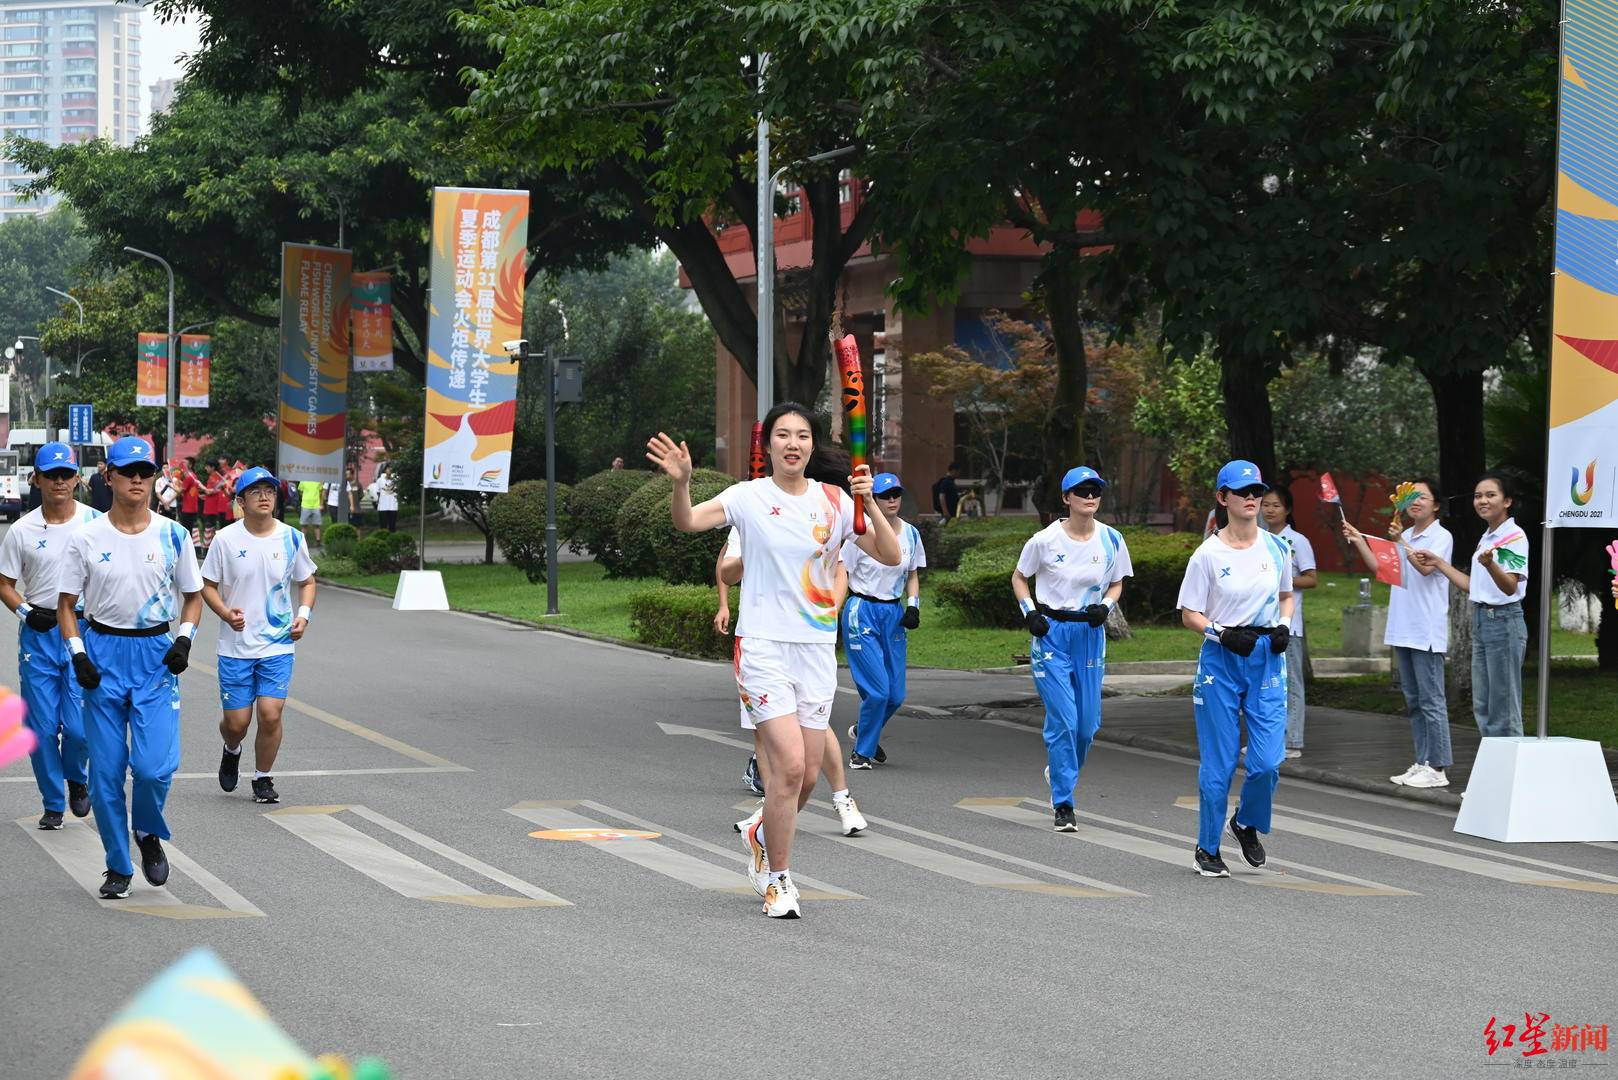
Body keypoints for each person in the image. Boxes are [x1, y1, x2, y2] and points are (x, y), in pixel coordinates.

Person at [648, 401, 900, 918]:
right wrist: (681, 482)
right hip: (762, 646)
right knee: (785, 766)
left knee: (806, 777)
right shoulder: (748, 498)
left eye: (802, 435)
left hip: (814, 650)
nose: (792, 443)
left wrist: (867, 502)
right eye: (782, 434)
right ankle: (780, 880)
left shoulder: (834, 501)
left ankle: (762, 828)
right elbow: (688, 521)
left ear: (812, 445)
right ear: (768, 445)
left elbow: (892, 556)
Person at [56, 436, 203, 900]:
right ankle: (118, 866)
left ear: (154, 476)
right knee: (105, 773)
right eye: (127, 471)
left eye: (145, 470)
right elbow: (65, 605)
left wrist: (183, 639)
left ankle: (147, 832)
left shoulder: (173, 534)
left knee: (155, 767)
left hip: (156, 656)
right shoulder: (86, 537)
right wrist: (77, 652)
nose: (137, 478)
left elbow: (194, 598)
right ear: (109, 477)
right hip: (101, 652)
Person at [1176, 459, 1294, 878]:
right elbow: (1190, 613)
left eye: (1257, 491)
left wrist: (1284, 626)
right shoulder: (1207, 554)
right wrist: (1222, 634)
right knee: (1220, 762)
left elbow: (1286, 597)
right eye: (1242, 491)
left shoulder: (1278, 548)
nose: (1251, 498)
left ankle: (1244, 822)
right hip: (1222, 660)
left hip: (1266, 657)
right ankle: (1207, 848)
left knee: (1267, 762)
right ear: (1222, 497)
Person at [1010, 466, 1132, 830]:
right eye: (1081, 491)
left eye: (1095, 490)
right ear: (1067, 498)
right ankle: (1064, 802)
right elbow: (1019, 577)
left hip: (1089, 634)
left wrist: (1106, 608)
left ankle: (1059, 769)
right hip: (1051, 632)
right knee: (1064, 720)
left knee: (1088, 726)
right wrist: (1030, 613)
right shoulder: (1044, 540)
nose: (1089, 496)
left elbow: (1116, 584)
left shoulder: (1112, 539)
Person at [201, 467, 317, 805]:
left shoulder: (292, 537)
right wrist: (225, 613)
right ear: (240, 501)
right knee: (237, 723)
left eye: (270, 491)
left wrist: (303, 616)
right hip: (235, 646)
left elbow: (307, 581)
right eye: (256, 492)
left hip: (277, 644)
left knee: (270, 714)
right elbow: (206, 586)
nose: (265, 496)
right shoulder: (225, 539)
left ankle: (262, 778)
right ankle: (231, 748)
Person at [0, 444, 100, 830]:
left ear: (77, 478)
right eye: (51, 475)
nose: (59, 481)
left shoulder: (96, 524)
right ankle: (53, 801)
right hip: (39, 633)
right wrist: (26, 611)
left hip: (82, 630)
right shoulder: (22, 531)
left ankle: (76, 777)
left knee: (77, 727)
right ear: (35, 479)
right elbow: (5, 583)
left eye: (66, 474)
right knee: (41, 729)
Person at [1340, 478, 1454, 787]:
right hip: (1402, 627)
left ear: (1436, 505)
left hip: (1425, 629)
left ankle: (1438, 767)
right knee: (1414, 700)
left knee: (1432, 700)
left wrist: (1401, 543)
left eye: (1424, 497)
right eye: (1412, 497)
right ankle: (1422, 761)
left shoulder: (1441, 536)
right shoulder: (1404, 534)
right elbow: (1384, 571)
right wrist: (1360, 540)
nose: (1416, 501)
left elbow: (1426, 567)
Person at [1410, 473, 1529, 738]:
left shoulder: (1513, 537)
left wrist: (1491, 564)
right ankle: (1494, 766)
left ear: (1507, 501)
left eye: (1490, 495)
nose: (1482, 501)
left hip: (1504, 620)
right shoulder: (1487, 537)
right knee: (1484, 704)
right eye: (1478, 496)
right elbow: (1474, 585)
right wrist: (1439, 563)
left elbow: (1509, 586)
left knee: (1503, 704)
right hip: (1482, 619)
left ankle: (1509, 772)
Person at [842, 472, 926, 769]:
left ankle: (864, 731)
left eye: (896, 495)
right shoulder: (859, 533)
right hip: (861, 610)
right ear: (872, 500)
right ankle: (861, 753)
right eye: (884, 496)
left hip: (893, 613)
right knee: (877, 691)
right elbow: (843, 574)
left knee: (896, 695)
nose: (891, 500)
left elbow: (912, 574)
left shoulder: (911, 534)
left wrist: (913, 606)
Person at [1259, 486, 1316, 759]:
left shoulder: (1296, 541)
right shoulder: (1258, 539)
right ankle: (1269, 740)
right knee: (1266, 685)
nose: (1269, 510)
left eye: (1276, 505)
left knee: (1291, 684)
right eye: (1266, 505)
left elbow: (1311, 578)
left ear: (1288, 510)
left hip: (1288, 624)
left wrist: (1280, 581)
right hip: (1260, 624)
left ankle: (1293, 741)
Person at [202, 458, 229, 550]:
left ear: (212, 467)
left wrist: (202, 488)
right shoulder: (216, 476)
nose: (205, 468)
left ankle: (207, 549)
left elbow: (210, 491)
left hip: (211, 507)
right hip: (212, 505)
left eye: (207, 466)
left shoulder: (214, 477)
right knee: (211, 527)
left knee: (209, 527)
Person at [176, 458, 202, 548]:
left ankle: (186, 549)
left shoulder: (188, 477)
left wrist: (172, 485)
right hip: (192, 507)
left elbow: (180, 491)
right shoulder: (194, 476)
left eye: (185, 463)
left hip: (187, 508)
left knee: (186, 529)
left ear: (190, 465)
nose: (183, 464)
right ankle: (189, 548)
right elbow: (192, 491)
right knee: (189, 529)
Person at [298, 479, 325, 548]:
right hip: (305, 505)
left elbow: (321, 492)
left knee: (317, 525)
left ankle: (318, 542)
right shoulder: (303, 480)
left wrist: (321, 504)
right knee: (304, 525)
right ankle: (302, 542)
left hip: (316, 505)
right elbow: (301, 492)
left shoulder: (318, 480)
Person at [375, 464, 399, 532]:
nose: (389, 470)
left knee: (392, 526)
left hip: (393, 506)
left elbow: (398, 491)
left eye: (391, 469)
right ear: (385, 470)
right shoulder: (380, 480)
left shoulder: (395, 480)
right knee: (383, 526)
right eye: (388, 469)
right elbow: (378, 492)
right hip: (383, 507)